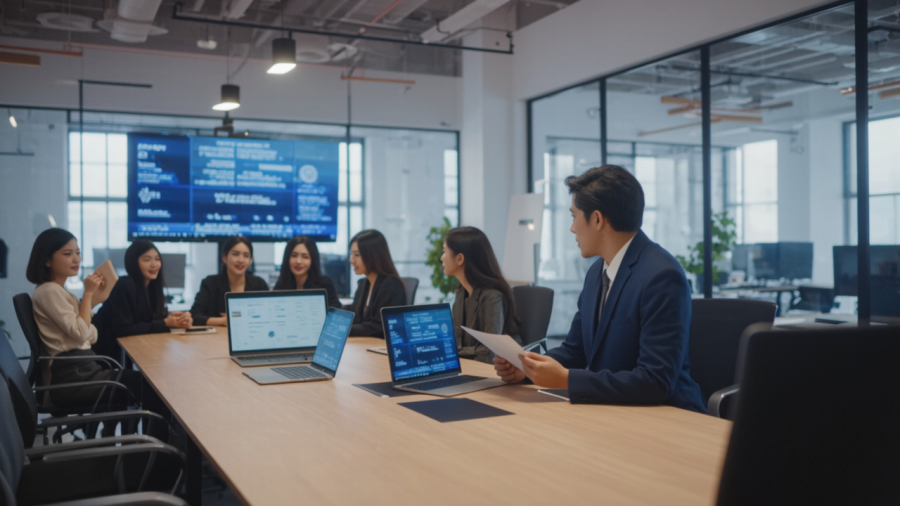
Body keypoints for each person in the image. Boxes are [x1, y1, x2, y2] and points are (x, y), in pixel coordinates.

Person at [493, 165, 706, 412]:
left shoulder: (661, 276)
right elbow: (576, 350)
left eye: (574, 216)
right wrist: (527, 368)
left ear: (596, 219)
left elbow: (655, 381)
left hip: (669, 418)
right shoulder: (596, 272)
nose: (572, 228)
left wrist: (566, 380)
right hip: (611, 410)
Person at [26, 228, 141, 408]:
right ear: (47, 260)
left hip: (83, 371)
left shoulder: (61, 292)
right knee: (147, 385)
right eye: (68, 254)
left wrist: (92, 301)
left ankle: (143, 435)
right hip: (74, 377)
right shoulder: (49, 291)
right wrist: (88, 295)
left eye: (78, 253)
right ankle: (159, 436)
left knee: (143, 383)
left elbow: (91, 334)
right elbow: (82, 333)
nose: (76, 259)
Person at [93, 240, 192, 358]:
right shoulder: (125, 285)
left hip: (128, 354)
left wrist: (176, 319)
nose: (154, 264)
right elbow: (123, 329)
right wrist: (165, 323)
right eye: (147, 259)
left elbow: (150, 319)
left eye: (157, 259)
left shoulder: (151, 287)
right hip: (105, 358)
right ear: (134, 262)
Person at [441, 226, 521, 363]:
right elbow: (455, 340)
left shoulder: (492, 296)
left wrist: (457, 353)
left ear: (460, 258)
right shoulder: (461, 292)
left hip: (496, 371)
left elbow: (490, 351)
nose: (441, 258)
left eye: (444, 251)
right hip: (466, 365)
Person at [191, 236, 269, 326]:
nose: (241, 260)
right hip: (216, 338)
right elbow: (194, 315)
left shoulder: (259, 284)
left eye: (246, 256)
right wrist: (223, 321)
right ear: (224, 257)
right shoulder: (210, 283)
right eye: (235, 254)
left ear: (250, 260)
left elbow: (268, 315)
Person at [348, 230, 406, 338]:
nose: (351, 260)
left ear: (372, 255)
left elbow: (379, 327)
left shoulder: (392, 285)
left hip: (381, 348)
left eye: (357, 255)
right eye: (351, 254)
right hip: (365, 346)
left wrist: (345, 330)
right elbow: (354, 315)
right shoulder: (363, 284)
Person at [274, 236, 342, 308]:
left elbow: (335, 312)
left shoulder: (324, 285)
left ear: (312, 260)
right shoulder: (282, 284)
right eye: (294, 255)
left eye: (305, 257)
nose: (298, 261)